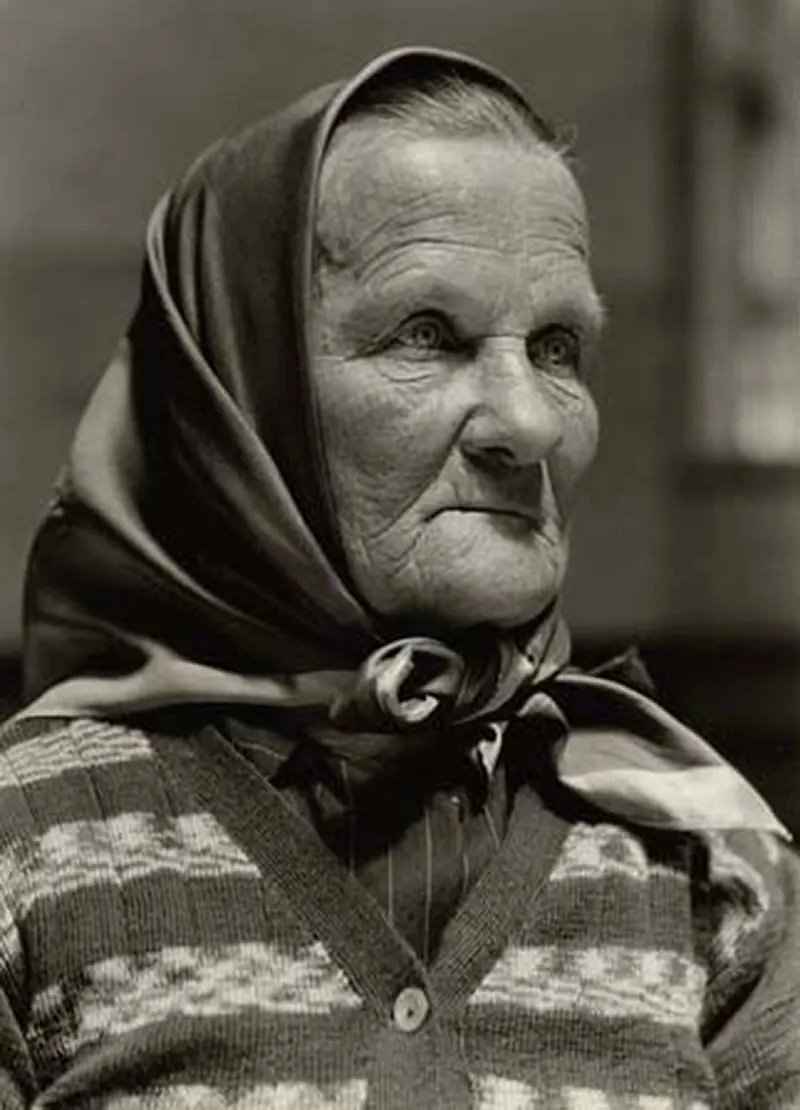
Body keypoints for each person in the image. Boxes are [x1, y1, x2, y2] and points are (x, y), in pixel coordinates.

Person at [0, 46, 797, 1110]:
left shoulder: (704, 859)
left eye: (557, 347)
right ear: (241, 394)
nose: (526, 423)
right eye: (428, 335)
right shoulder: (27, 849)